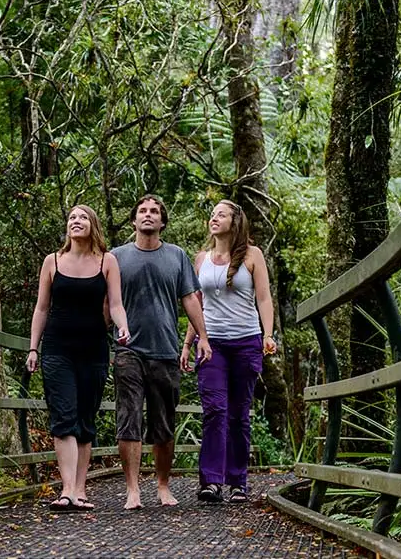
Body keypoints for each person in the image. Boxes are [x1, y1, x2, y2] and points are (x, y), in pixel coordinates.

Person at [27, 205, 130, 512]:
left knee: (85, 419)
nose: (76, 221)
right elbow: (41, 308)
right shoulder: (52, 261)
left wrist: (123, 326)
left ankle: (81, 490)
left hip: (94, 349)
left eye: (83, 217)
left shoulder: (107, 261)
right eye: (72, 217)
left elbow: (115, 305)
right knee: (63, 416)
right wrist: (34, 348)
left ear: (92, 225)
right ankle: (67, 490)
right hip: (57, 349)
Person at [112, 194, 211, 509]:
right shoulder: (116, 257)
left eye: (154, 211)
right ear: (134, 220)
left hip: (165, 350)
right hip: (127, 349)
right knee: (128, 417)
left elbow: (191, 299)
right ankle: (132, 490)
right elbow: (106, 302)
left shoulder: (177, 256)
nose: (148, 215)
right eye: (142, 211)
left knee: (164, 421)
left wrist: (203, 338)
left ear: (162, 221)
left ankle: (163, 485)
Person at [181, 199, 277, 504]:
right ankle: (211, 481)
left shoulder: (253, 255)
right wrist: (187, 344)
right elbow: (196, 305)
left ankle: (238, 482)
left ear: (234, 222)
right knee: (214, 411)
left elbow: (263, 298)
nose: (214, 218)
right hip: (211, 345)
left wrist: (268, 334)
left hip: (246, 342)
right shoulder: (201, 259)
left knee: (238, 415)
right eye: (212, 215)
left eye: (221, 214)